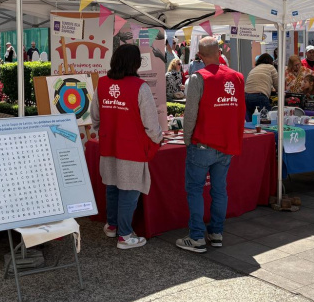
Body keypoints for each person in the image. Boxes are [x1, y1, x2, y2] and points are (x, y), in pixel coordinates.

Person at [177, 37, 245, 253]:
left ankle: (196, 237)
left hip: (203, 143)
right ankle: (216, 233)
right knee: (219, 190)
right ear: (219, 53)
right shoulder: (237, 77)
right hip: (226, 144)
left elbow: (190, 114)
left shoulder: (199, 78)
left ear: (199, 56)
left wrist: (188, 140)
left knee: (196, 190)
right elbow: (240, 111)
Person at [90, 44, 162, 249]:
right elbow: (150, 123)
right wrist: (157, 139)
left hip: (109, 145)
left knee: (112, 187)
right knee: (129, 190)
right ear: (136, 63)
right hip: (132, 149)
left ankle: (112, 226)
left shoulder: (102, 83)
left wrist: (103, 129)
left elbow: (95, 116)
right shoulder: (140, 87)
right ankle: (125, 235)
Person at [244, 53, 277, 121]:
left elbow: (261, 81)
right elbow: (277, 84)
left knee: (252, 123)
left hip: (246, 96)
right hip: (260, 96)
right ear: (271, 62)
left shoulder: (254, 69)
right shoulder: (270, 67)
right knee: (266, 122)